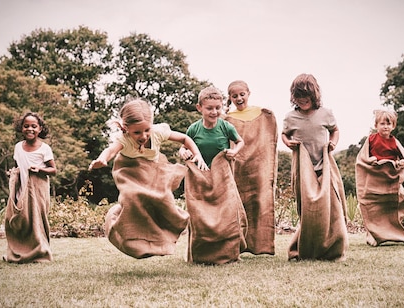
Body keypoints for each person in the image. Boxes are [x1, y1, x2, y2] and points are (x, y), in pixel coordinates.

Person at [89, 98, 208, 259]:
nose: (143, 136)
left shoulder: (158, 132)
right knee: (133, 196)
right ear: (126, 128)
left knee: (162, 199)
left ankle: (162, 236)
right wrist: (102, 159)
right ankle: (118, 215)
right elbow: (110, 150)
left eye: (146, 130)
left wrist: (197, 154)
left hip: (154, 169)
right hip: (130, 169)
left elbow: (184, 139)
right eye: (137, 132)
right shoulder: (123, 139)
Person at [281, 73, 348, 261]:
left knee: (331, 206)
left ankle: (333, 248)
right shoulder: (291, 117)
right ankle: (304, 249)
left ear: (314, 95)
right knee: (309, 210)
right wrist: (288, 143)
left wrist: (333, 143)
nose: (302, 100)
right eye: (298, 96)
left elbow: (335, 130)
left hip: (324, 166)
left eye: (306, 96)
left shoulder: (325, 113)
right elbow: (284, 134)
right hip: (303, 169)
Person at [179, 86, 248, 265]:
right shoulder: (194, 129)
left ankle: (230, 253)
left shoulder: (226, 127)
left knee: (227, 215)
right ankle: (198, 255)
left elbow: (240, 142)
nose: (214, 111)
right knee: (199, 216)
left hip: (222, 179)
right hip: (200, 179)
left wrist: (235, 151)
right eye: (209, 108)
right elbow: (184, 146)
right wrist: (183, 152)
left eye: (218, 107)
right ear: (199, 108)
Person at [224, 80, 277, 256]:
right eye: (234, 96)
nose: (239, 98)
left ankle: (261, 244)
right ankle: (236, 242)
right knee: (236, 202)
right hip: (237, 165)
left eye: (242, 94)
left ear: (248, 93)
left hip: (258, 164)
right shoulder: (227, 119)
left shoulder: (261, 114)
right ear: (230, 98)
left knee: (260, 201)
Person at [4, 111, 57, 263]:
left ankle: (41, 253)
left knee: (37, 221)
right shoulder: (18, 147)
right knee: (20, 220)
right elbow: (17, 165)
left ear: (40, 129)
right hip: (22, 190)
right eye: (26, 126)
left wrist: (39, 170)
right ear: (21, 128)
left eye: (34, 126)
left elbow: (53, 170)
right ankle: (21, 251)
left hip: (39, 191)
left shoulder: (44, 148)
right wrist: (13, 173)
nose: (30, 129)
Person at [355, 109, 404, 246]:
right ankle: (373, 235)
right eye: (382, 123)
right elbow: (362, 158)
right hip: (375, 177)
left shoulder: (394, 142)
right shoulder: (371, 139)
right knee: (372, 206)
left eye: (389, 123)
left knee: (399, 198)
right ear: (376, 125)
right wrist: (370, 160)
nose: (385, 126)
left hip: (389, 179)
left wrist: (400, 163)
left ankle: (392, 232)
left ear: (393, 126)